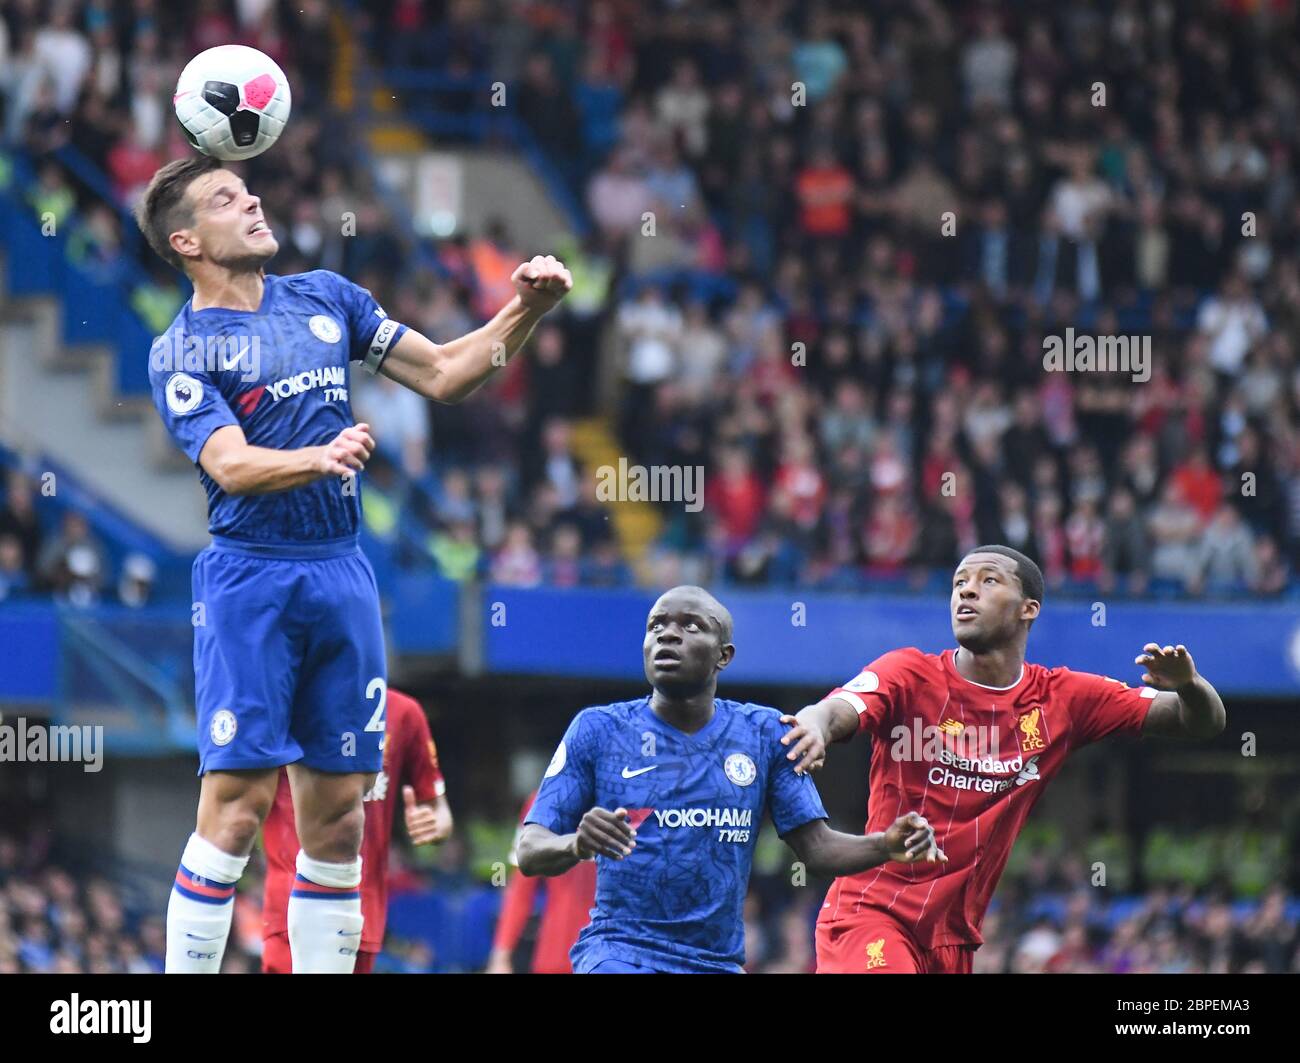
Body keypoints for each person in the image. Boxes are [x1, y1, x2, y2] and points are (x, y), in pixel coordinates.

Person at [136, 153, 570, 973]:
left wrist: (525, 309)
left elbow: (445, 372)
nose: (252, 202)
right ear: (186, 240)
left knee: (339, 820)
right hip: (251, 579)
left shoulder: (327, 298)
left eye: (249, 190)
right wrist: (319, 456)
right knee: (235, 808)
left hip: (341, 572)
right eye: (226, 199)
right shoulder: (181, 349)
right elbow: (229, 464)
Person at [780, 545, 1226, 974]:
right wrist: (815, 725)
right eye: (960, 582)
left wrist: (1189, 685)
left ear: (1028, 609)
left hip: (954, 939)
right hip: (873, 915)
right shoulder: (909, 674)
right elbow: (835, 710)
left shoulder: (1062, 699)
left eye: (988, 580)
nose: (967, 590)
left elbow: (1201, 722)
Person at [516, 584, 944, 974]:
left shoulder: (766, 734)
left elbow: (817, 850)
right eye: (656, 626)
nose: (667, 635)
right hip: (620, 953)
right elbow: (529, 849)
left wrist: (885, 845)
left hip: (716, 963)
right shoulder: (597, 730)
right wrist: (576, 844)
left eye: (691, 626)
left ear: (724, 655)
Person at [260, 688, 451, 974]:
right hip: (289, 908)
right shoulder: (281, 700)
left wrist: (434, 824)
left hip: (363, 909)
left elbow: (440, 810)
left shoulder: (403, 712)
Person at [486, 790, 597, 974]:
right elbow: (521, 887)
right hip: (559, 957)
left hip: (618, 957)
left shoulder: (640, 797)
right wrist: (501, 956)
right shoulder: (545, 799)